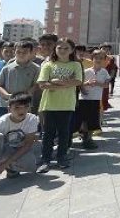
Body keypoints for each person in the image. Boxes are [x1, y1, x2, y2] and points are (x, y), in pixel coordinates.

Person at [36, 38, 83, 172]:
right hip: (49, 104)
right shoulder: (48, 65)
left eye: (66, 48)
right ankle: (45, 159)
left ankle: (62, 157)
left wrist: (56, 82)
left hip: (67, 104)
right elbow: (42, 84)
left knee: (64, 133)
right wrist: (66, 83)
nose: (62, 51)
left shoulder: (75, 65)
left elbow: (78, 81)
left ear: (72, 50)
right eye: (59, 48)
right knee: (47, 133)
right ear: (55, 49)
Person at [0, 41, 41, 121]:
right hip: (5, 104)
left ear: (31, 52)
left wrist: (23, 97)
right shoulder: (7, 68)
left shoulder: (36, 68)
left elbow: (36, 85)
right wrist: (8, 95)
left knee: (22, 129)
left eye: (25, 52)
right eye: (18, 52)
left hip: (24, 105)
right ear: (14, 52)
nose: (21, 54)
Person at [75, 49, 109, 150]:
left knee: (93, 120)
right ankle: (84, 135)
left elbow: (106, 85)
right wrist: (86, 85)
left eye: (101, 58)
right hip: (84, 99)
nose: (98, 60)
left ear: (103, 60)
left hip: (95, 99)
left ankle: (88, 138)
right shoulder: (86, 71)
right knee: (83, 120)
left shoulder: (104, 72)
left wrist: (98, 83)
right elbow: (79, 84)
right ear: (92, 59)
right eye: (96, 58)